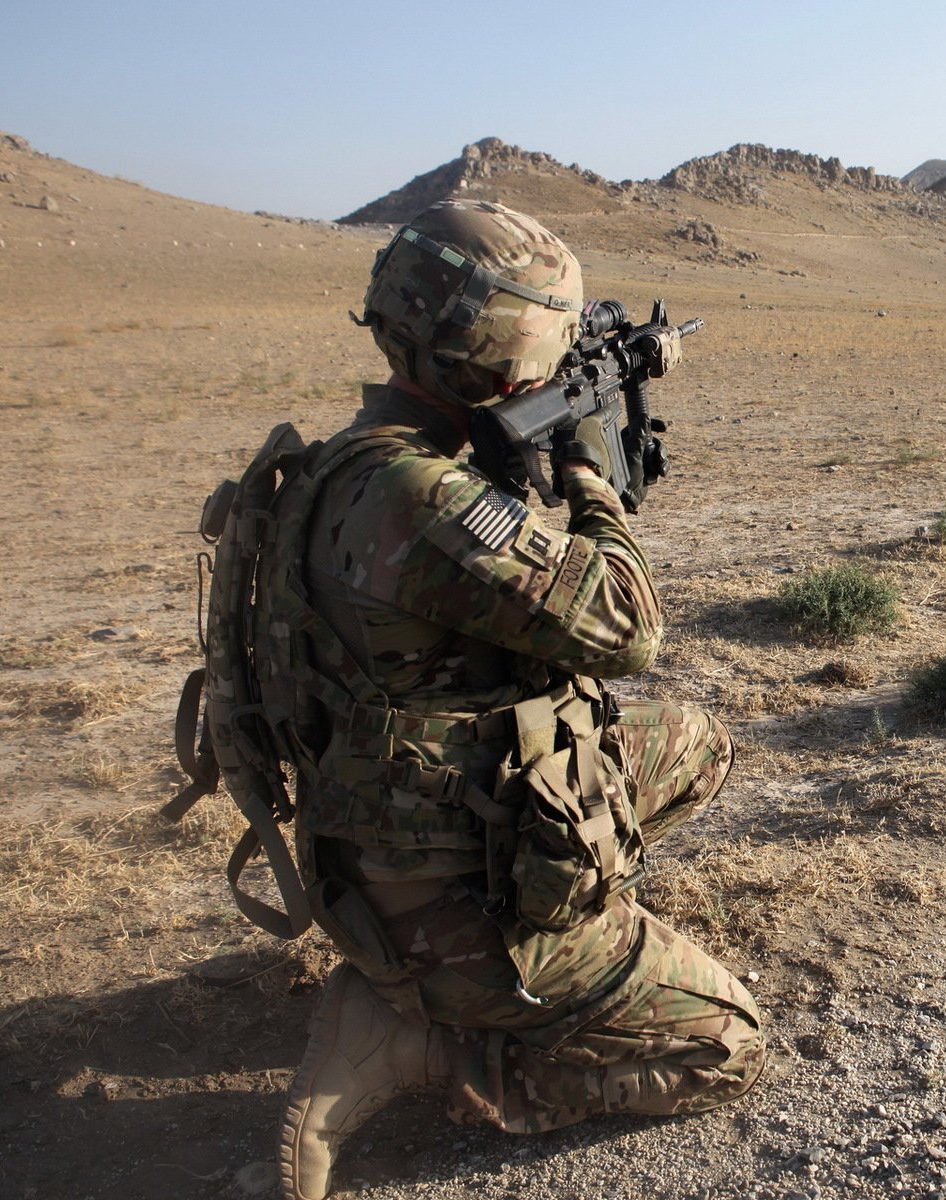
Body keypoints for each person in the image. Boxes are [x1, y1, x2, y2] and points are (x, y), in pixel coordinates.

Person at [265, 199, 764, 1200]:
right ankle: (433, 1041)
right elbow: (628, 626)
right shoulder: (429, 502)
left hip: (366, 860)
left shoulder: (340, 466)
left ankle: (565, 906)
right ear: (500, 357)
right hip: (449, 902)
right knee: (730, 1049)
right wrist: (589, 472)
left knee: (697, 744)